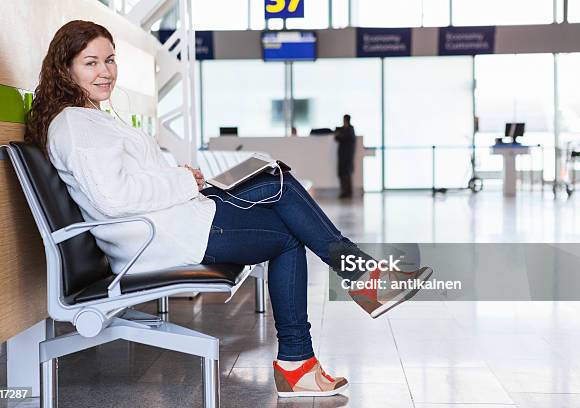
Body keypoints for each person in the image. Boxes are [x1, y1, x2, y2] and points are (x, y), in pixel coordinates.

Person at [25, 20, 432, 398]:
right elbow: (114, 198)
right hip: (159, 238)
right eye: (91, 63)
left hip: (171, 220)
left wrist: (184, 178)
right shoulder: (77, 126)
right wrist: (184, 180)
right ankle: (345, 301)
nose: (106, 72)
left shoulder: (90, 118)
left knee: (275, 181)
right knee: (283, 206)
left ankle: (312, 345)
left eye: (110, 60)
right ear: (66, 70)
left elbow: (127, 182)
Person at [334, 114, 356, 199]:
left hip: (347, 157)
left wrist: (338, 135)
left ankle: (347, 192)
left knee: (346, 173)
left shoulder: (350, 130)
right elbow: (337, 138)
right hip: (343, 156)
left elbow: (340, 138)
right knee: (343, 173)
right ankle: (345, 191)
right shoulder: (345, 129)